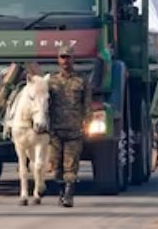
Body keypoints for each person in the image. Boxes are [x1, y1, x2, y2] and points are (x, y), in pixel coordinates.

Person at [48, 46, 91, 208]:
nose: (65, 61)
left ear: (73, 59)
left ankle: (68, 195)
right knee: (56, 166)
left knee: (71, 166)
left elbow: (86, 105)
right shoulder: (51, 81)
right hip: (55, 131)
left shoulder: (81, 81)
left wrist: (87, 122)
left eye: (68, 57)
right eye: (62, 57)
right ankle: (61, 193)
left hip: (74, 130)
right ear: (58, 60)